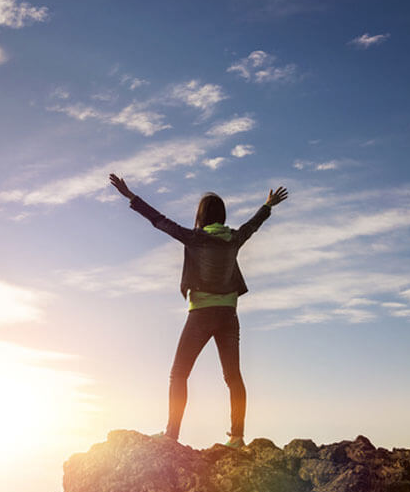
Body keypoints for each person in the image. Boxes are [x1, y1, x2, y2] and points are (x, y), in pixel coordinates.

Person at [109, 173, 287, 448]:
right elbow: (253, 225)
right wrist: (268, 206)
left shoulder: (194, 238)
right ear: (222, 215)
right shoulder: (234, 238)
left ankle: (172, 434)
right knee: (233, 377)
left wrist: (131, 196)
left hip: (201, 314)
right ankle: (237, 437)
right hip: (228, 315)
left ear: (201, 216)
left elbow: (159, 220)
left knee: (179, 374)